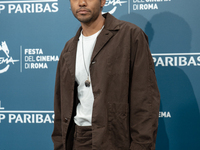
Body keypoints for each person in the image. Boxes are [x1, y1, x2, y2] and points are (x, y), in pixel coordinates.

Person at [52, 0, 160, 149]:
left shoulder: (130, 36)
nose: (82, 3)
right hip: (78, 139)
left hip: (116, 140)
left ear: (103, 1)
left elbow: (145, 101)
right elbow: (61, 105)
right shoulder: (69, 49)